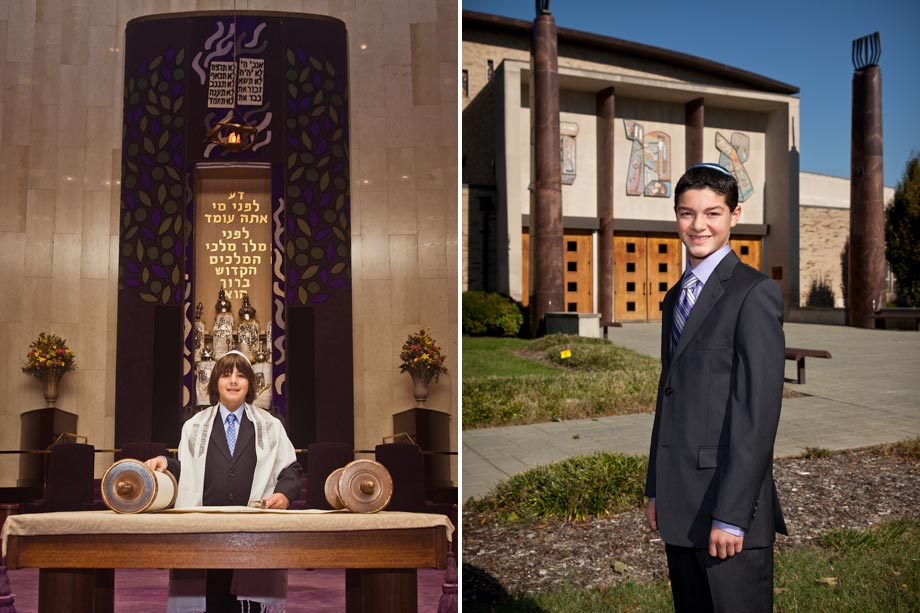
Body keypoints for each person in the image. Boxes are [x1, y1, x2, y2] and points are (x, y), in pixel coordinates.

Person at [644, 163, 787, 612]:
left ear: (735, 215)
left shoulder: (753, 293)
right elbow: (669, 399)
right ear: (676, 217)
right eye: (687, 214)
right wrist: (654, 488)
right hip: (680, 500)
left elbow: (756, 415)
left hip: (728, 507)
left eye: (713, 213)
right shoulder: (675, 297)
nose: (698, 225)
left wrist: (732, 513)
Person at [146, 349, 302, 613]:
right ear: (215, 382)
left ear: (250, 384)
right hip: (206, 531)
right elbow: (186, 468)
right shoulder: (194, 425)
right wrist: (166, 463)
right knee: (213, 598)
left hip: (251, 532)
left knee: (247, 602)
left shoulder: (271, 425)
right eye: (226, 375)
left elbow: (290, 470)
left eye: (241, 376)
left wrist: (284, 495)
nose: (233, 381)